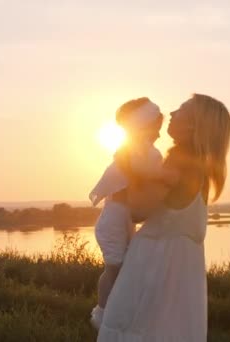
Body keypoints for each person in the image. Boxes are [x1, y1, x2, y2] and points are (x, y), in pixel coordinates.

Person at [97, 94, 230, 341]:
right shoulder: (200, 166)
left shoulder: (178, 162)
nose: (171, 113)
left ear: (193, 125)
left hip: (154, 267)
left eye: (181, 110)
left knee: (134, 330)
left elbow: (138, 209)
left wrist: (128, 166)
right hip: (180, 274)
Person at [89, 97, 167, 329]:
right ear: (142, 126)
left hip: (125, 220)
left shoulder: (141, 152)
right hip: (113, 220)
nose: (160, 135)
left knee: (123, 269)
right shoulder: (131, 153)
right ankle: (102, 316)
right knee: (115, 268)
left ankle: (120, 312)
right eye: (156, 128)